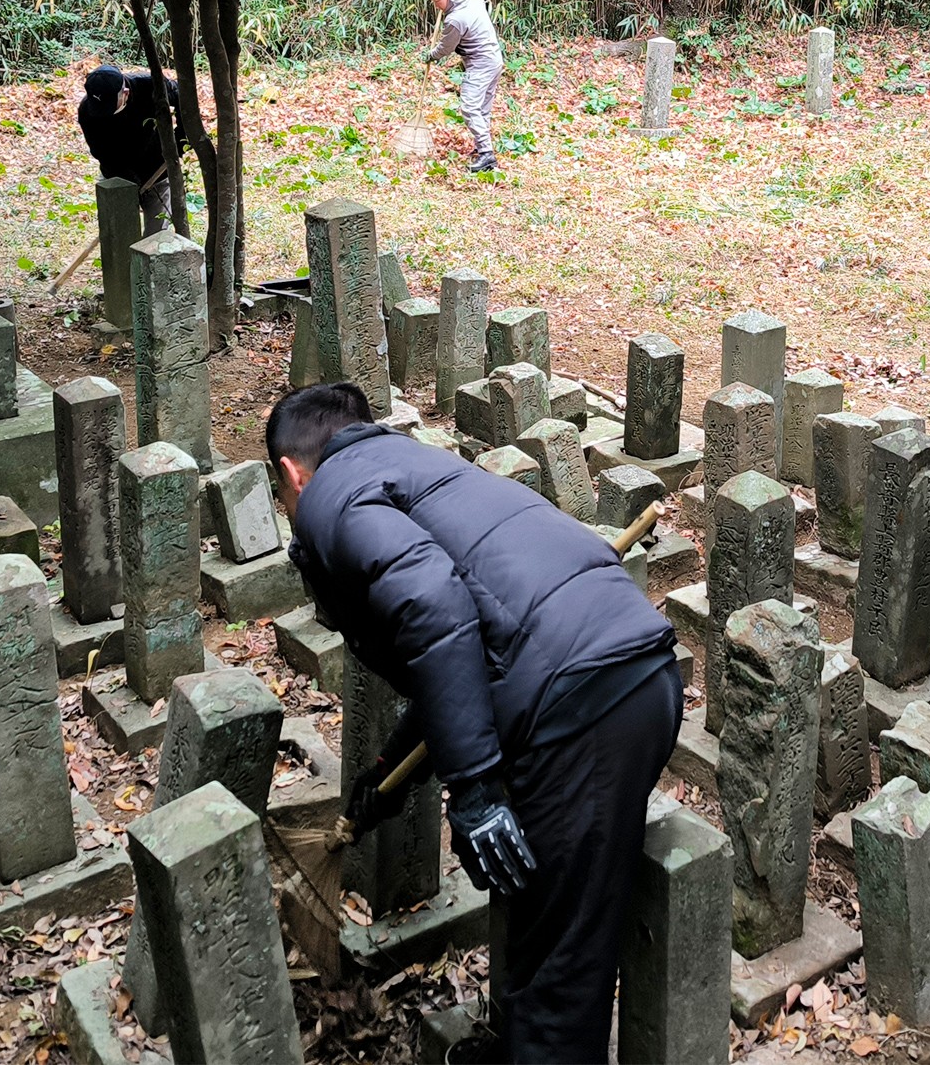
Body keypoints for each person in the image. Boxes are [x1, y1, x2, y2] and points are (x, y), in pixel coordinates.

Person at [268, 382, 679, 1063]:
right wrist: (387, 781)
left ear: (291, 472)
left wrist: (479, 791)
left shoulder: (327, 498)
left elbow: (434, 607)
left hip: (580, 712)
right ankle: (514, 1046)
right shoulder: (419, 465)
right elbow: (467, 648)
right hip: (624, 678)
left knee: (561, 968)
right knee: (538, 907)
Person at [76, 64, 179, 232]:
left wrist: (180, 141)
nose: (104, 114)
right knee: (117, 232)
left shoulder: (149, 86)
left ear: (125, 93)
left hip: (155, 168)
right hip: (116, 174)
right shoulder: (87, 111)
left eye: (109, 107)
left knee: (156, 234)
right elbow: (101, 153)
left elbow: (181, 97)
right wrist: (131, 183)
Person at [420, 0, 505, 173]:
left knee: (469, 106)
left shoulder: (455, 19)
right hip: (494, 59)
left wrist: (431, 55)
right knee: (482, 107)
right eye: (432, 1)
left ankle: (487, 155)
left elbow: (445, 48)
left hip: (480, 63)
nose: (436, 5)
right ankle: (481, 147)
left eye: (437, 0)